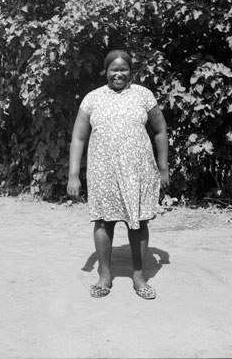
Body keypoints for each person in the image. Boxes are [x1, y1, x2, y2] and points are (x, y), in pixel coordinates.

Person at [67, 49, 169, 299]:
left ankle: (139, 276)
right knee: (103, 221)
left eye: (124, 69)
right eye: (114, 69)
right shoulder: (92, 99)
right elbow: (78, 137)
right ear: (106, 71)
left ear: (131, 72)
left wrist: (163, 167)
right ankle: (104, 276)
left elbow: (160, 130)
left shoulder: (143, 96)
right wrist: (73, 175)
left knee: (139, 222)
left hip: (138, 171)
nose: (119, 74)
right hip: (103, 172)